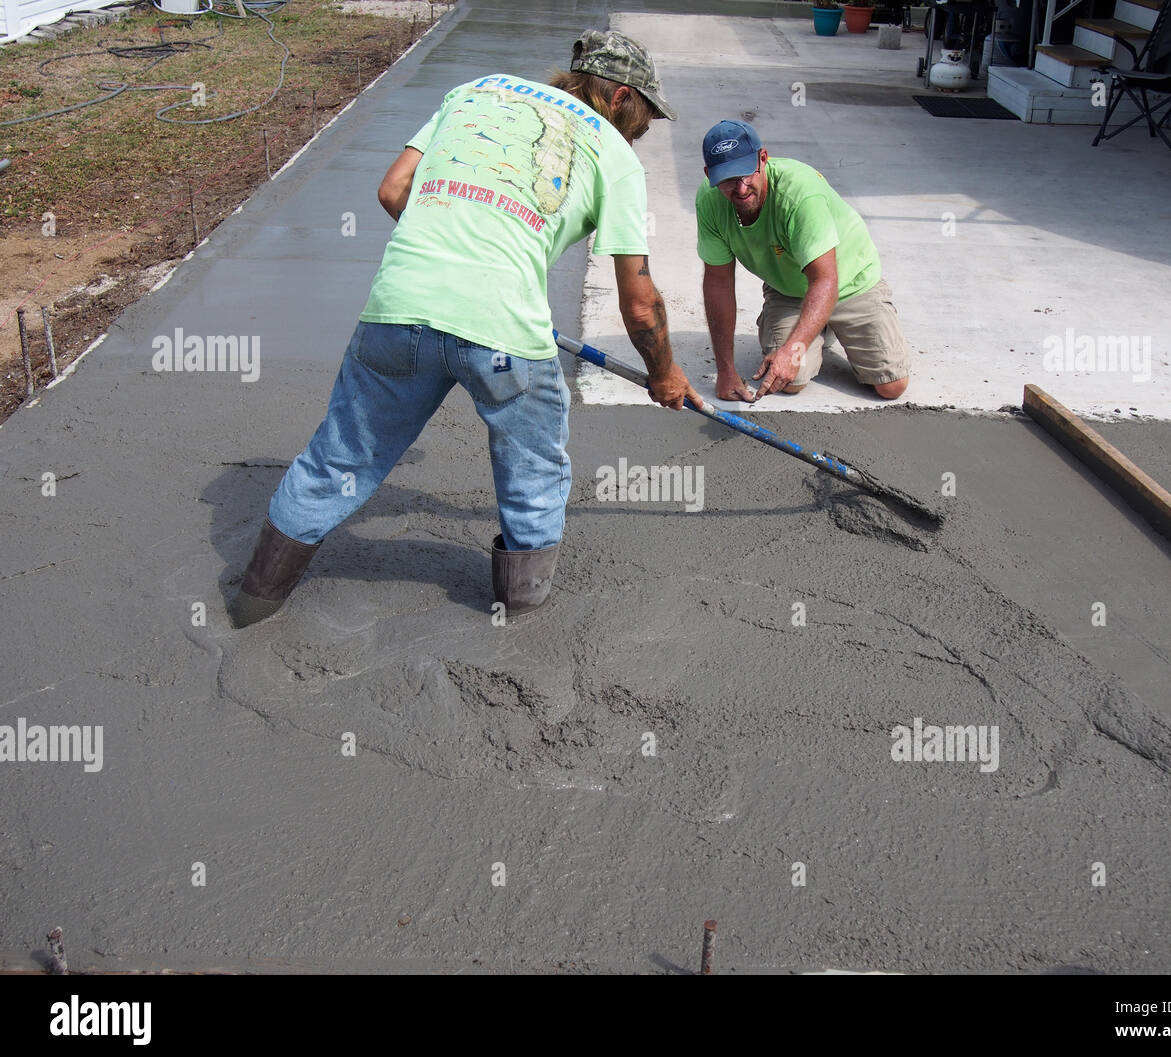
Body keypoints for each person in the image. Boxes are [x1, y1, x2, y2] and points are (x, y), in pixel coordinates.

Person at [229, 30, 700, 627]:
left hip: (396, 313)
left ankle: (253, 603)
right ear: (621, 98)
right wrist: (664, 374)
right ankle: (520, 620)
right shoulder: (614, 154)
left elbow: (392, 189)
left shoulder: (476, 92)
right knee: (532, 470)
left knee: (337, 461)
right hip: (503, 335)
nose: (644, 132)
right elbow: (639, 304)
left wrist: (453, 254)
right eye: (646, 120)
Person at [695, 119, 910, 402]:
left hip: (850, 284)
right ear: (709, 174)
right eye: (727, 180)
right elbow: (718, 284)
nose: (741, 188)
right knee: (788, 380)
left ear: (763, 158)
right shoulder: (709, 201)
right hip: (789, 290)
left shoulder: (800, 193)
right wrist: (725, 370)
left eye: (746, 173)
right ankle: (817, 326)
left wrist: (792, 350)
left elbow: (825, 280)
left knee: (891, 386)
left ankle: (824, 325)